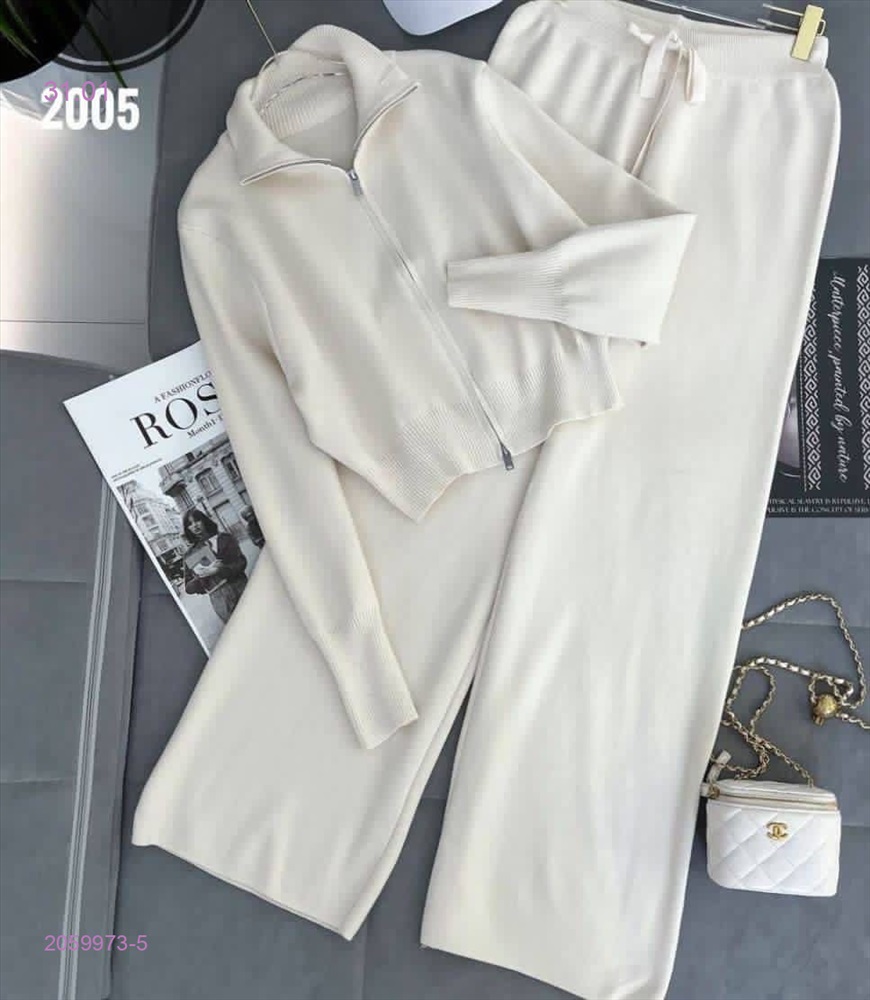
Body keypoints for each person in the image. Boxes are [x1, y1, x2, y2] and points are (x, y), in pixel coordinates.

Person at [181, 508, 248, 623]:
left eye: (197, 521)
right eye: (190, 524)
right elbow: (188, 587)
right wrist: (201, 577)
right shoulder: (190, 554)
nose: (195, 526)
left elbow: (241, 562)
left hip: (241, 587)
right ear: (188, 529)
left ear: (204, 520)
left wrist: (221, 569)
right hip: (220, 599)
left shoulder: (225, 538)